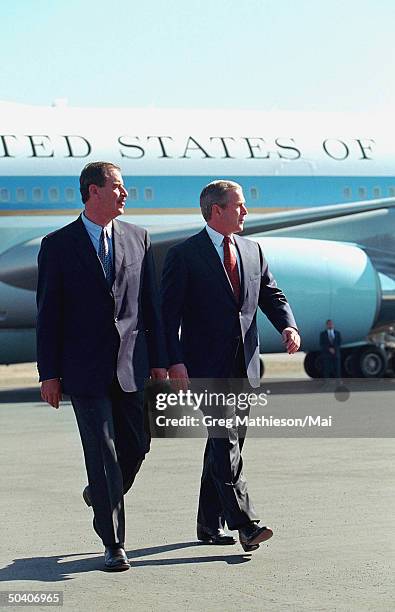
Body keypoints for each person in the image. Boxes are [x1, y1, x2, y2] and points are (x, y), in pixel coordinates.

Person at [36, 161, 167, 571]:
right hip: (84, 370)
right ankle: (114, 543)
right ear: (94, 191)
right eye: (118, 187)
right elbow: (48, 315)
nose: (125, 194)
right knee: (103, 452)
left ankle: (100, 492)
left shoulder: (138, 238)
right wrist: (49, 374)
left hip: (132, 366)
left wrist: (161, 362)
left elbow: (150, 308)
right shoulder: (57, 245)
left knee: (138, 446)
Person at [161, 180, 300, 552]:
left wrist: (287, 324)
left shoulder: (253, 249)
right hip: (204, 367)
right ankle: (245, 523)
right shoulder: (184, 254)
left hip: (245, 365)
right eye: (238, 205)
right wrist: (173, 360)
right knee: (226, 443)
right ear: (216, 210)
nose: (245, 212)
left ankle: (208, 524)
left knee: (224, 444)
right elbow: (167, 315)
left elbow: (271, 293)